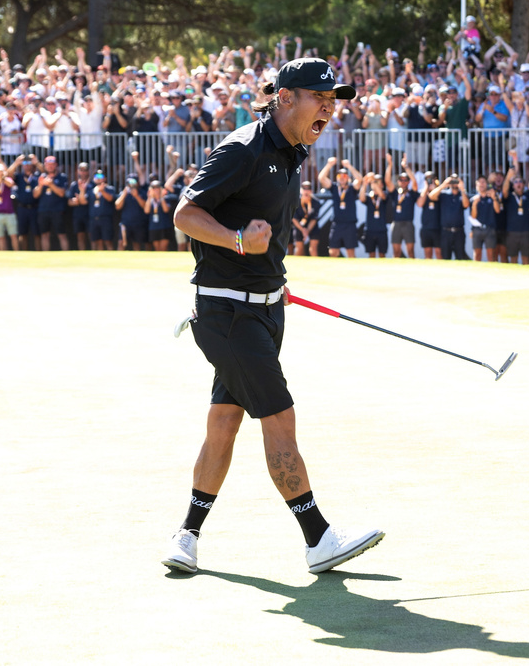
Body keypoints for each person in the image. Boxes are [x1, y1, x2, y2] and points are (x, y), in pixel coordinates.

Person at [163, 57, 383, 575]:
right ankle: (318, 538)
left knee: (224, 421)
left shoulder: (293, 150)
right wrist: (238, 241)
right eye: (319, 98)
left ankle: (186, 537)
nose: (329, 108)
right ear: (285, 98)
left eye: (334, 101)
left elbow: (265, 232)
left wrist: (271, 281)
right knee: (279, 417)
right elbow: (186, 215)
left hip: (263, 309)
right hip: (226, 313)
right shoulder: (243, 149)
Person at [317, 157, 362, 258]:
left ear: (348, 178)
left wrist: (349, 166)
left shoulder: (352, 189)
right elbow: (321, 178)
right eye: (339, 175)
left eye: (344, 175)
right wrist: (329, 165)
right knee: (333, 251)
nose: (342, 177)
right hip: (337, 224)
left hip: (350, 224)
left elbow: (359, 179)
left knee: (350, 252)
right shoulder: (334, 188)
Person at [429, 174, 469, 260]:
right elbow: (431, 196)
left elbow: (466, 205)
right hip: (445, 232)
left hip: (459, 232)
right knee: (445, 257)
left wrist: (462, 189)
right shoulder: (444, 194)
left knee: (460, 257)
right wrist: (443, 185)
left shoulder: (462, 195)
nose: (454, 183)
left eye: (456, 181)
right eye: (452, 181)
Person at [35, 155, 70, 251]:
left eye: (52, 164)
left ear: (56, 165)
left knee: (61, 234)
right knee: (44, 234)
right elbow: (35, 195)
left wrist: (51, 184)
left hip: (57, 210)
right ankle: (45, 256)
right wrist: (41, 185)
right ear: (45, 165)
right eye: (48, 165)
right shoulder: (40, 177)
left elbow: (62, 193)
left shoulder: (62, 177)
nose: (50, 167)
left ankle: (66, 255)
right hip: (43, 210)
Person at [469, 175, 499, 262]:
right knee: (477, 254)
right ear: (476, 185)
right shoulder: (473, 199)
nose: (481, 184)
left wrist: (494, 198)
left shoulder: (492, 196)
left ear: (487, 184)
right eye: (480, 182)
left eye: (483, 182)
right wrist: (475, 204)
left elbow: (497, 210)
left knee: (491, 254)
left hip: (490, 228)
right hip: (477, 229)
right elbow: (473, 216)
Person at [290, 180, 318, 256]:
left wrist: (307, 231)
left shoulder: (316, 202)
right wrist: (303, 230)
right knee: (299, 249)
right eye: (304, 188)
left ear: (311, 191)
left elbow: (314, 219)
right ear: (301, 190)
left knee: (313, 249)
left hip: (312, 227)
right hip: (298, 227)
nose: (306, 191)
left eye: (308, 189)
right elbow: (294, 219)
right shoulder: (296, 201)